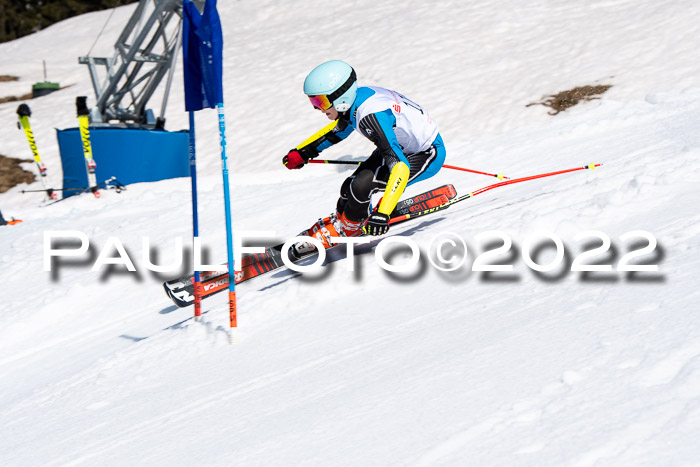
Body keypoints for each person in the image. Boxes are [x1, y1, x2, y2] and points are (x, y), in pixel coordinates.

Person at [282, 60, 446, 249]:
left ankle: (350, 229)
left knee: (361, 187)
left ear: (340, 98)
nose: (318, 108)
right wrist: (303, 152)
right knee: (348, 188)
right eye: (314, 101)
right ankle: (343, 220)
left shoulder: (371, 116)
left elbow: (401, 168)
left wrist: (383, 212)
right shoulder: (355, 102)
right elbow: (338, 131)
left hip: (427, 153)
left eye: (321, 102)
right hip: (401, 146)